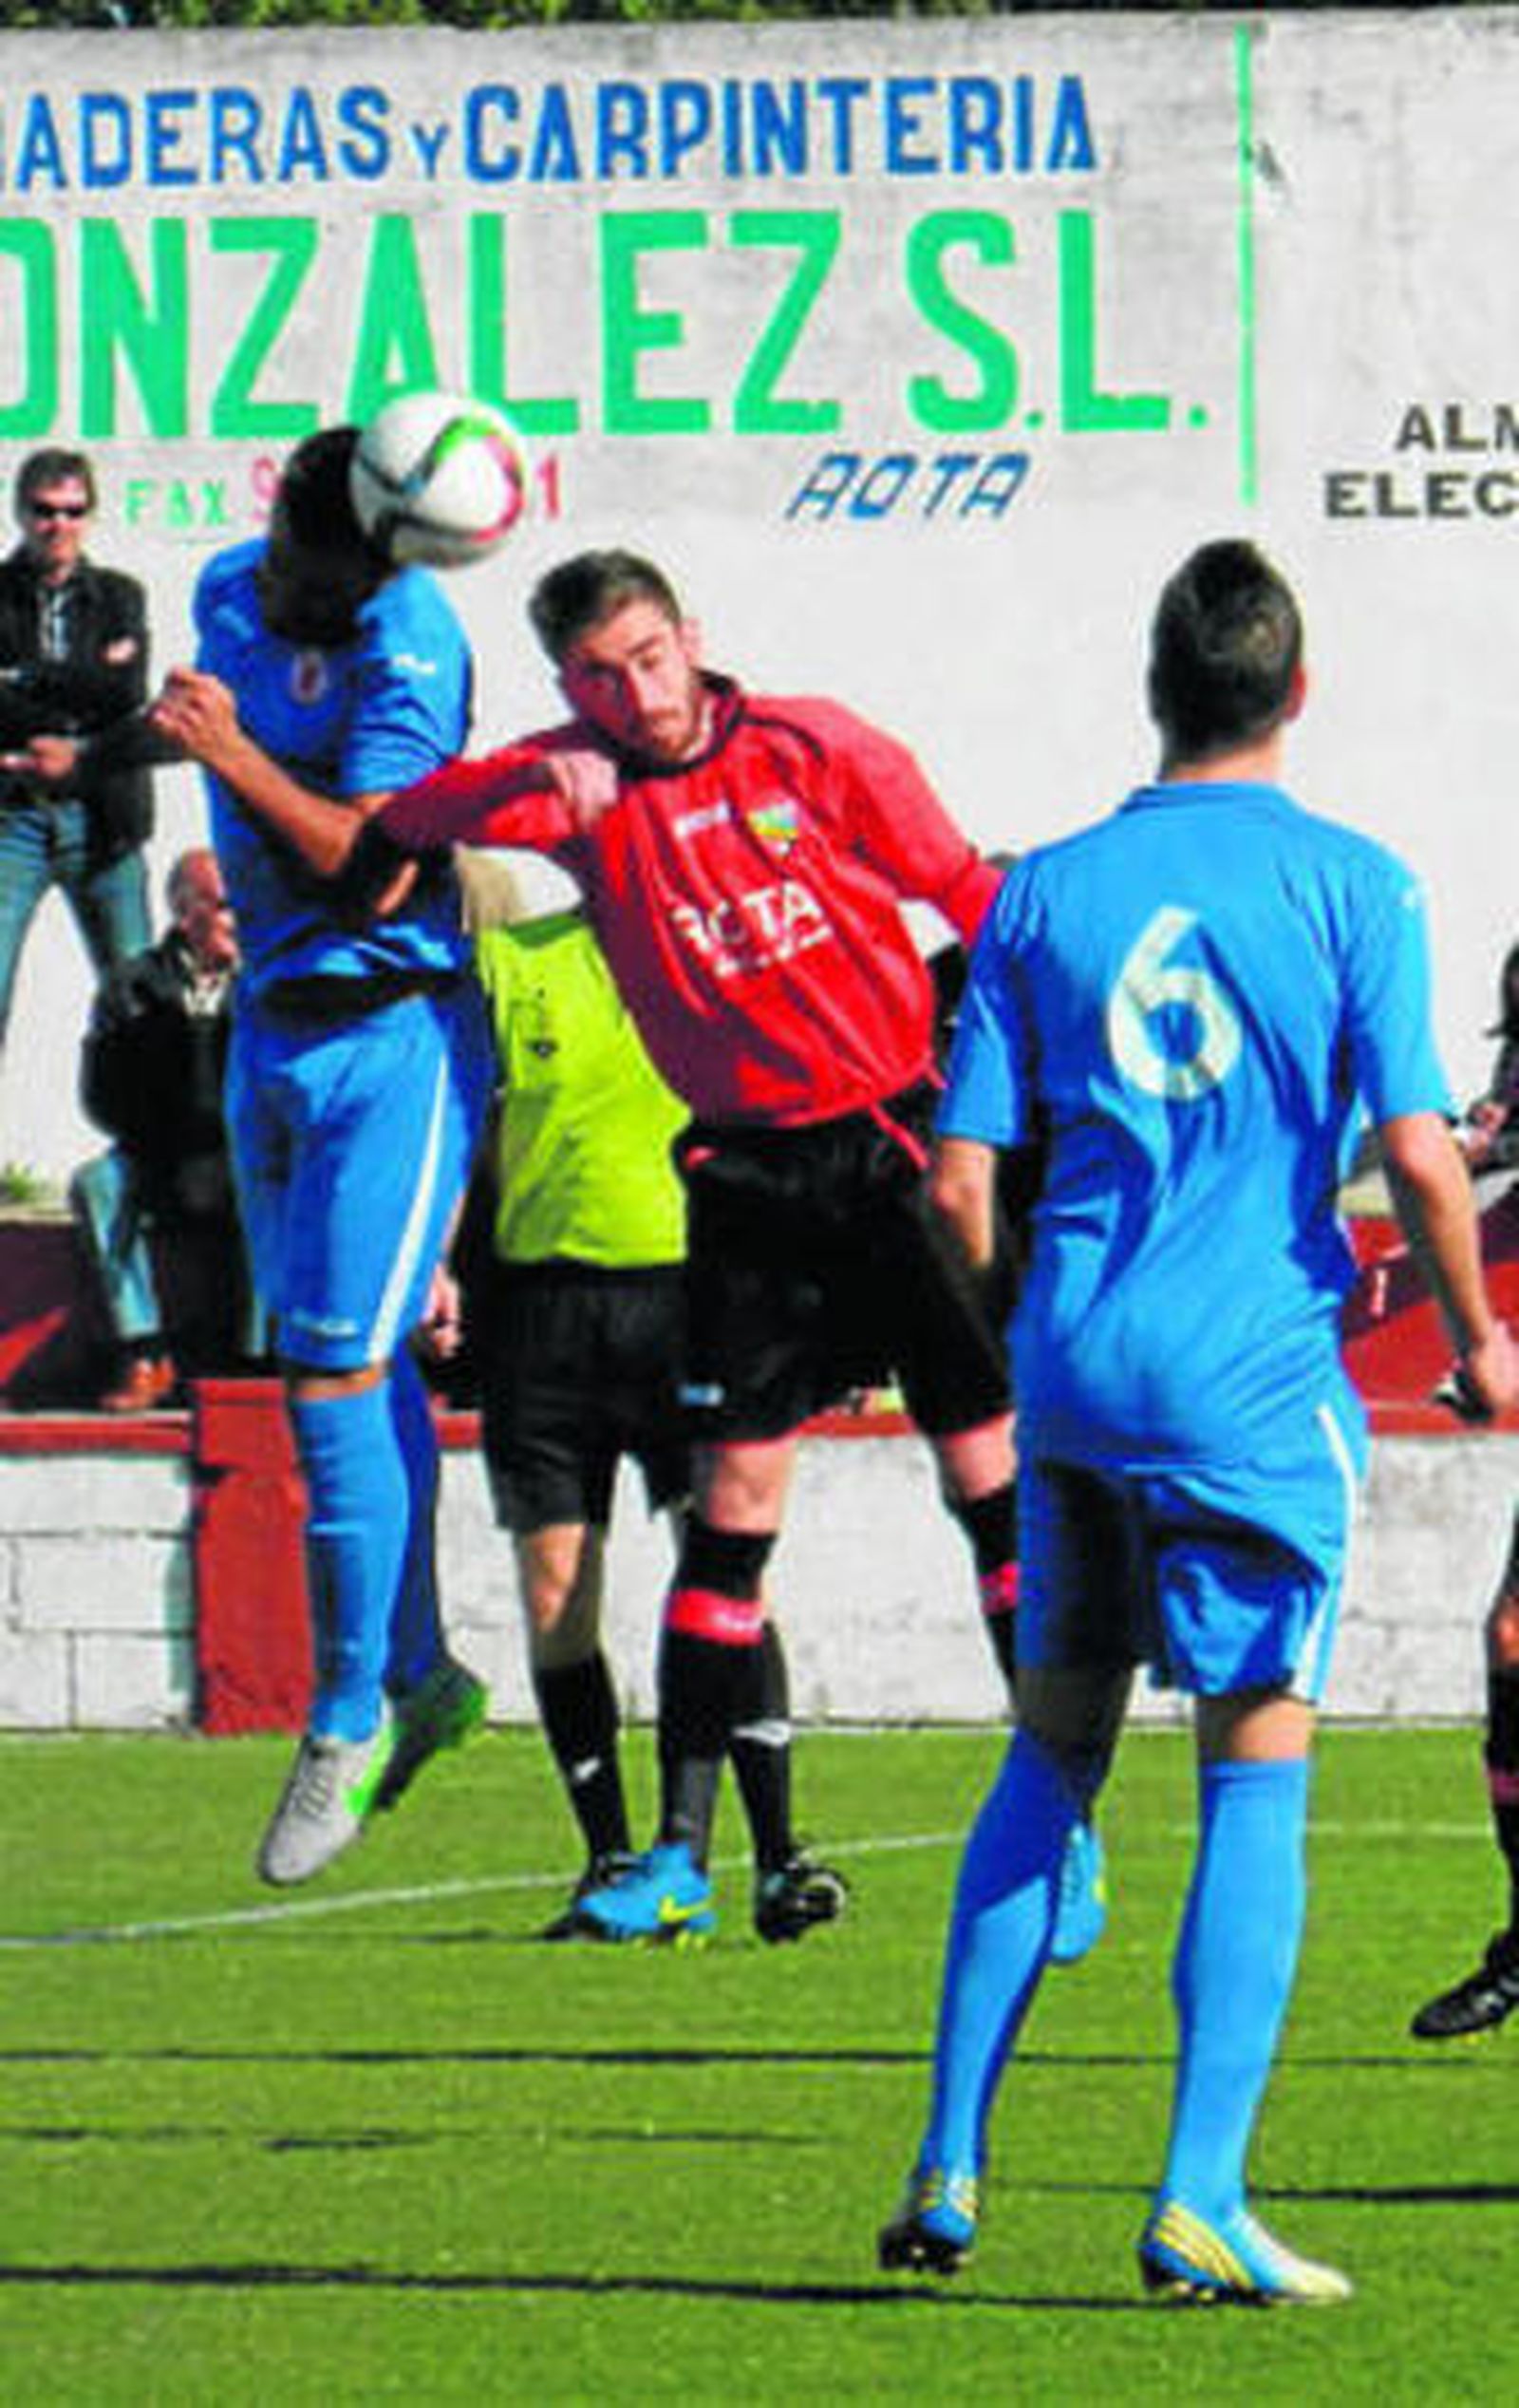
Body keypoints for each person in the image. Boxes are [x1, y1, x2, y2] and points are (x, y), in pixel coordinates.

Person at [149, 548, 1092, 1950]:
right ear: (568, 686)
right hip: (744, 1181)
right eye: (601, 674)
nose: (637, 694)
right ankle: (676, 1857)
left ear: (691, 637)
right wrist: (476, 801)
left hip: (890, 1143)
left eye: (650, 656)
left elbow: (974, 901)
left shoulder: (817, 749)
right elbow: (389, 836)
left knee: (988, 1491)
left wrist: (1028, 1117)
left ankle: (1064, 1829)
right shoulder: (556, 782)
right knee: (729, 1520)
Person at [875, 538, 1517, 2305]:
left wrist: (1026, 1321)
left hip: (1074, 1382)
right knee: (1252, 1769)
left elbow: (953, 1182)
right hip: (1247, 1391)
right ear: (1294, 694)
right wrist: (1480, 1339)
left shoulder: (1041, 894)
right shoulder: (1357, 884)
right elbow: (1414, 1150)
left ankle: (948, 2160)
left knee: (1052, 1750)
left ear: (1155, 692)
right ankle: (1200, 2195)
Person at [150, 425, 494, 1888]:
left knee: (331, 1372)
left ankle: (343, 1717)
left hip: (396, 1030)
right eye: (294, 565)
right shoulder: (227, 587)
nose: (299, 595)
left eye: (330, 581)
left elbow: (368, 860)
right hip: (274, 1026)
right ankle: (423, 1672)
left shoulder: (415, 640)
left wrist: (228, 752)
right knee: (345, 1361)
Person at [461, 899, 846, 1943]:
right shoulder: (513, 964)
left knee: (724, 1569)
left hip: (693, 1300)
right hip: (544, 1314)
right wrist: (437, 1275)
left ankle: (776, 1853)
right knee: (554, 1592)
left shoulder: (728, 963)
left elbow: (803, 1117)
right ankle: (611, 1853)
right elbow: (462, 1122)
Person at [70, 845, 255, 1411]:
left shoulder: (265, 983)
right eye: (226, 906)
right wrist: (172, 1140)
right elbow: (101, 1095)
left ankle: (256, 1358)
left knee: (287, 1179)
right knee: (98, 1182)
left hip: (241, 1154)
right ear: (184, 912)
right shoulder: (132, 985)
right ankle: (146, 1350)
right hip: (160, 1152)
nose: (240, 920)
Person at [0, 448, 154, 1061]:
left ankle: (156, 1156)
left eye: (72, 511)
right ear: (20, 512)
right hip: (14, 818)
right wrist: (83, 681)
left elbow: (127, 692)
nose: (57, 525)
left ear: (89, 516)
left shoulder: (120, 595)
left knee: (142, 1004)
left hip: (103, 821)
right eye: (44, 511)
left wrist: (24, 679)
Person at [1455, 940, 1519, 1178]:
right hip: (1490, 1158)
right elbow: (1499, 1102)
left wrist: (1493, 1151)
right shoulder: (1513, 1047)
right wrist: (1482, 1113)